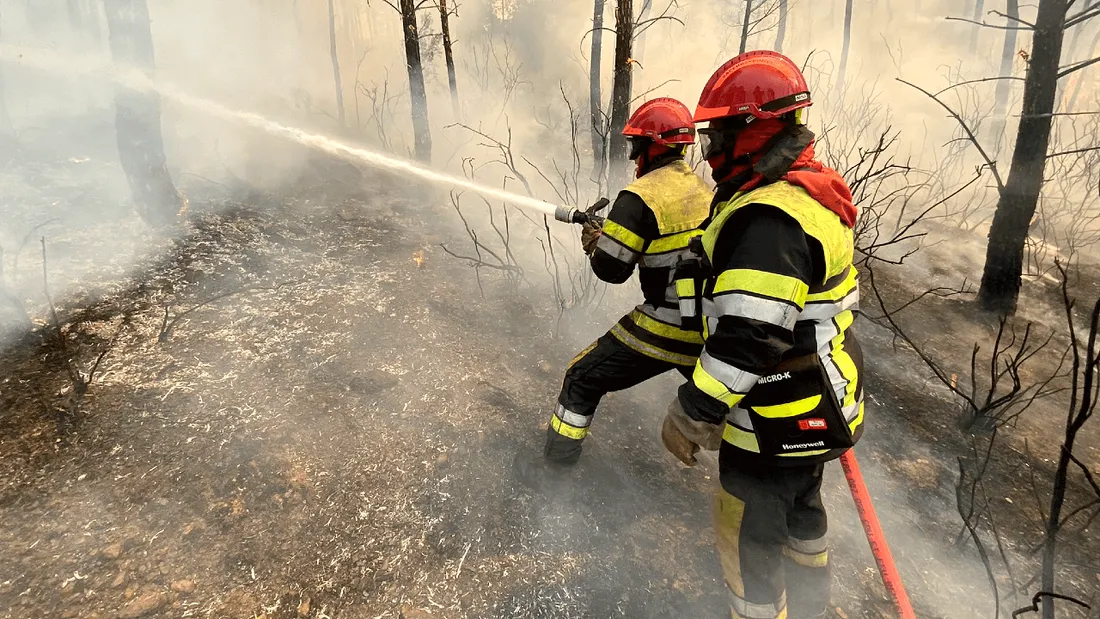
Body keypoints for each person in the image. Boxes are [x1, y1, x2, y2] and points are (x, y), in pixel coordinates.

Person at [660, 51, 864, 619]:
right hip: (816, 404)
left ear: (754, 128)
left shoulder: (769, 220)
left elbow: (747, 338)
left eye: (719, 131)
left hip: (771, 418)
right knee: (803, 517)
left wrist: (692, 409)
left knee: (747, 537)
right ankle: (811, 607)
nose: (710, 146)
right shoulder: (800, 192)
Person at [540, 97, 714, 468]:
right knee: (724, 398)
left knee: (582, 376)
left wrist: (595, 244)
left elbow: (611, 271)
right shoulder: (706, 191)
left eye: (637, 145)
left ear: (653, 146)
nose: (634, 156)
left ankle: (555, 465)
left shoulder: (640, 196)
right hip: (710, 327)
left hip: (667, 323)